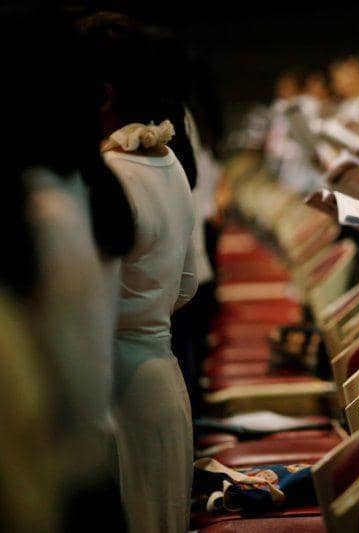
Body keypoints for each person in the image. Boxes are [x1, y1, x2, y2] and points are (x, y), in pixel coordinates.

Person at [79, 12, 198, 532]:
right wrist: (146, 318)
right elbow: (187, 284)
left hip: (118, 395)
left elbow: (83, 309)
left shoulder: (108, 177)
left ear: (102, 94)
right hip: (163, 381)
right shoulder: (169, 162)